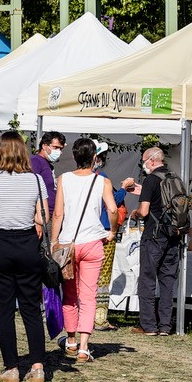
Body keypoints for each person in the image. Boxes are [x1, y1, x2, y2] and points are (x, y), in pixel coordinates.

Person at [0, 131, 48, 382]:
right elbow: (44, 219)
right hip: (28, 244)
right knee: (30, 308)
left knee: (4, 311)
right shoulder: (36, 180)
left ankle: (11, 368)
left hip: (0, 246)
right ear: (22, 153)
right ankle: (38, 366)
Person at [51, 138, 118, 364]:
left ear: (74, 156)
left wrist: (54, 241)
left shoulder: (64, 179)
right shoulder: (102, 182)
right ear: (94, 158)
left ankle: (70, 339)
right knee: (88, 296)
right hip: (92, 243)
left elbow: (58, 213)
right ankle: (83, 347)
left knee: (69, 294)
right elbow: (112, 209)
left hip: (68, 243)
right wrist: (112, 232)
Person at [126, 147, 182, 336]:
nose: (144, 164)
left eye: (144, 160)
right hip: (173, 235)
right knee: (167, 281)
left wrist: (134, 213)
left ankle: (148, 325)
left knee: (147, 280)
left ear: (151, 160)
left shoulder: (150, 180)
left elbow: (143, 211)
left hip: (154, 235)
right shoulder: (175, 178)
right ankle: (165, 326)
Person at [91, 141, 126, 331]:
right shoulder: (101, 178)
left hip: (84, 234)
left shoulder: (73, 178)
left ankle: (84, 315)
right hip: (104, 233)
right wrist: (123, 189)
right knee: (103, 275)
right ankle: (99, 317)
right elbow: (113, 203)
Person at [29, 131, 67, 210]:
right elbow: (30, 189)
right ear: (44, 146)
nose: (59, 152)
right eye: (55, 147)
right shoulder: (36, 161)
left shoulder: (47, 164)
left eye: (60, 148)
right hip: (42, 215)